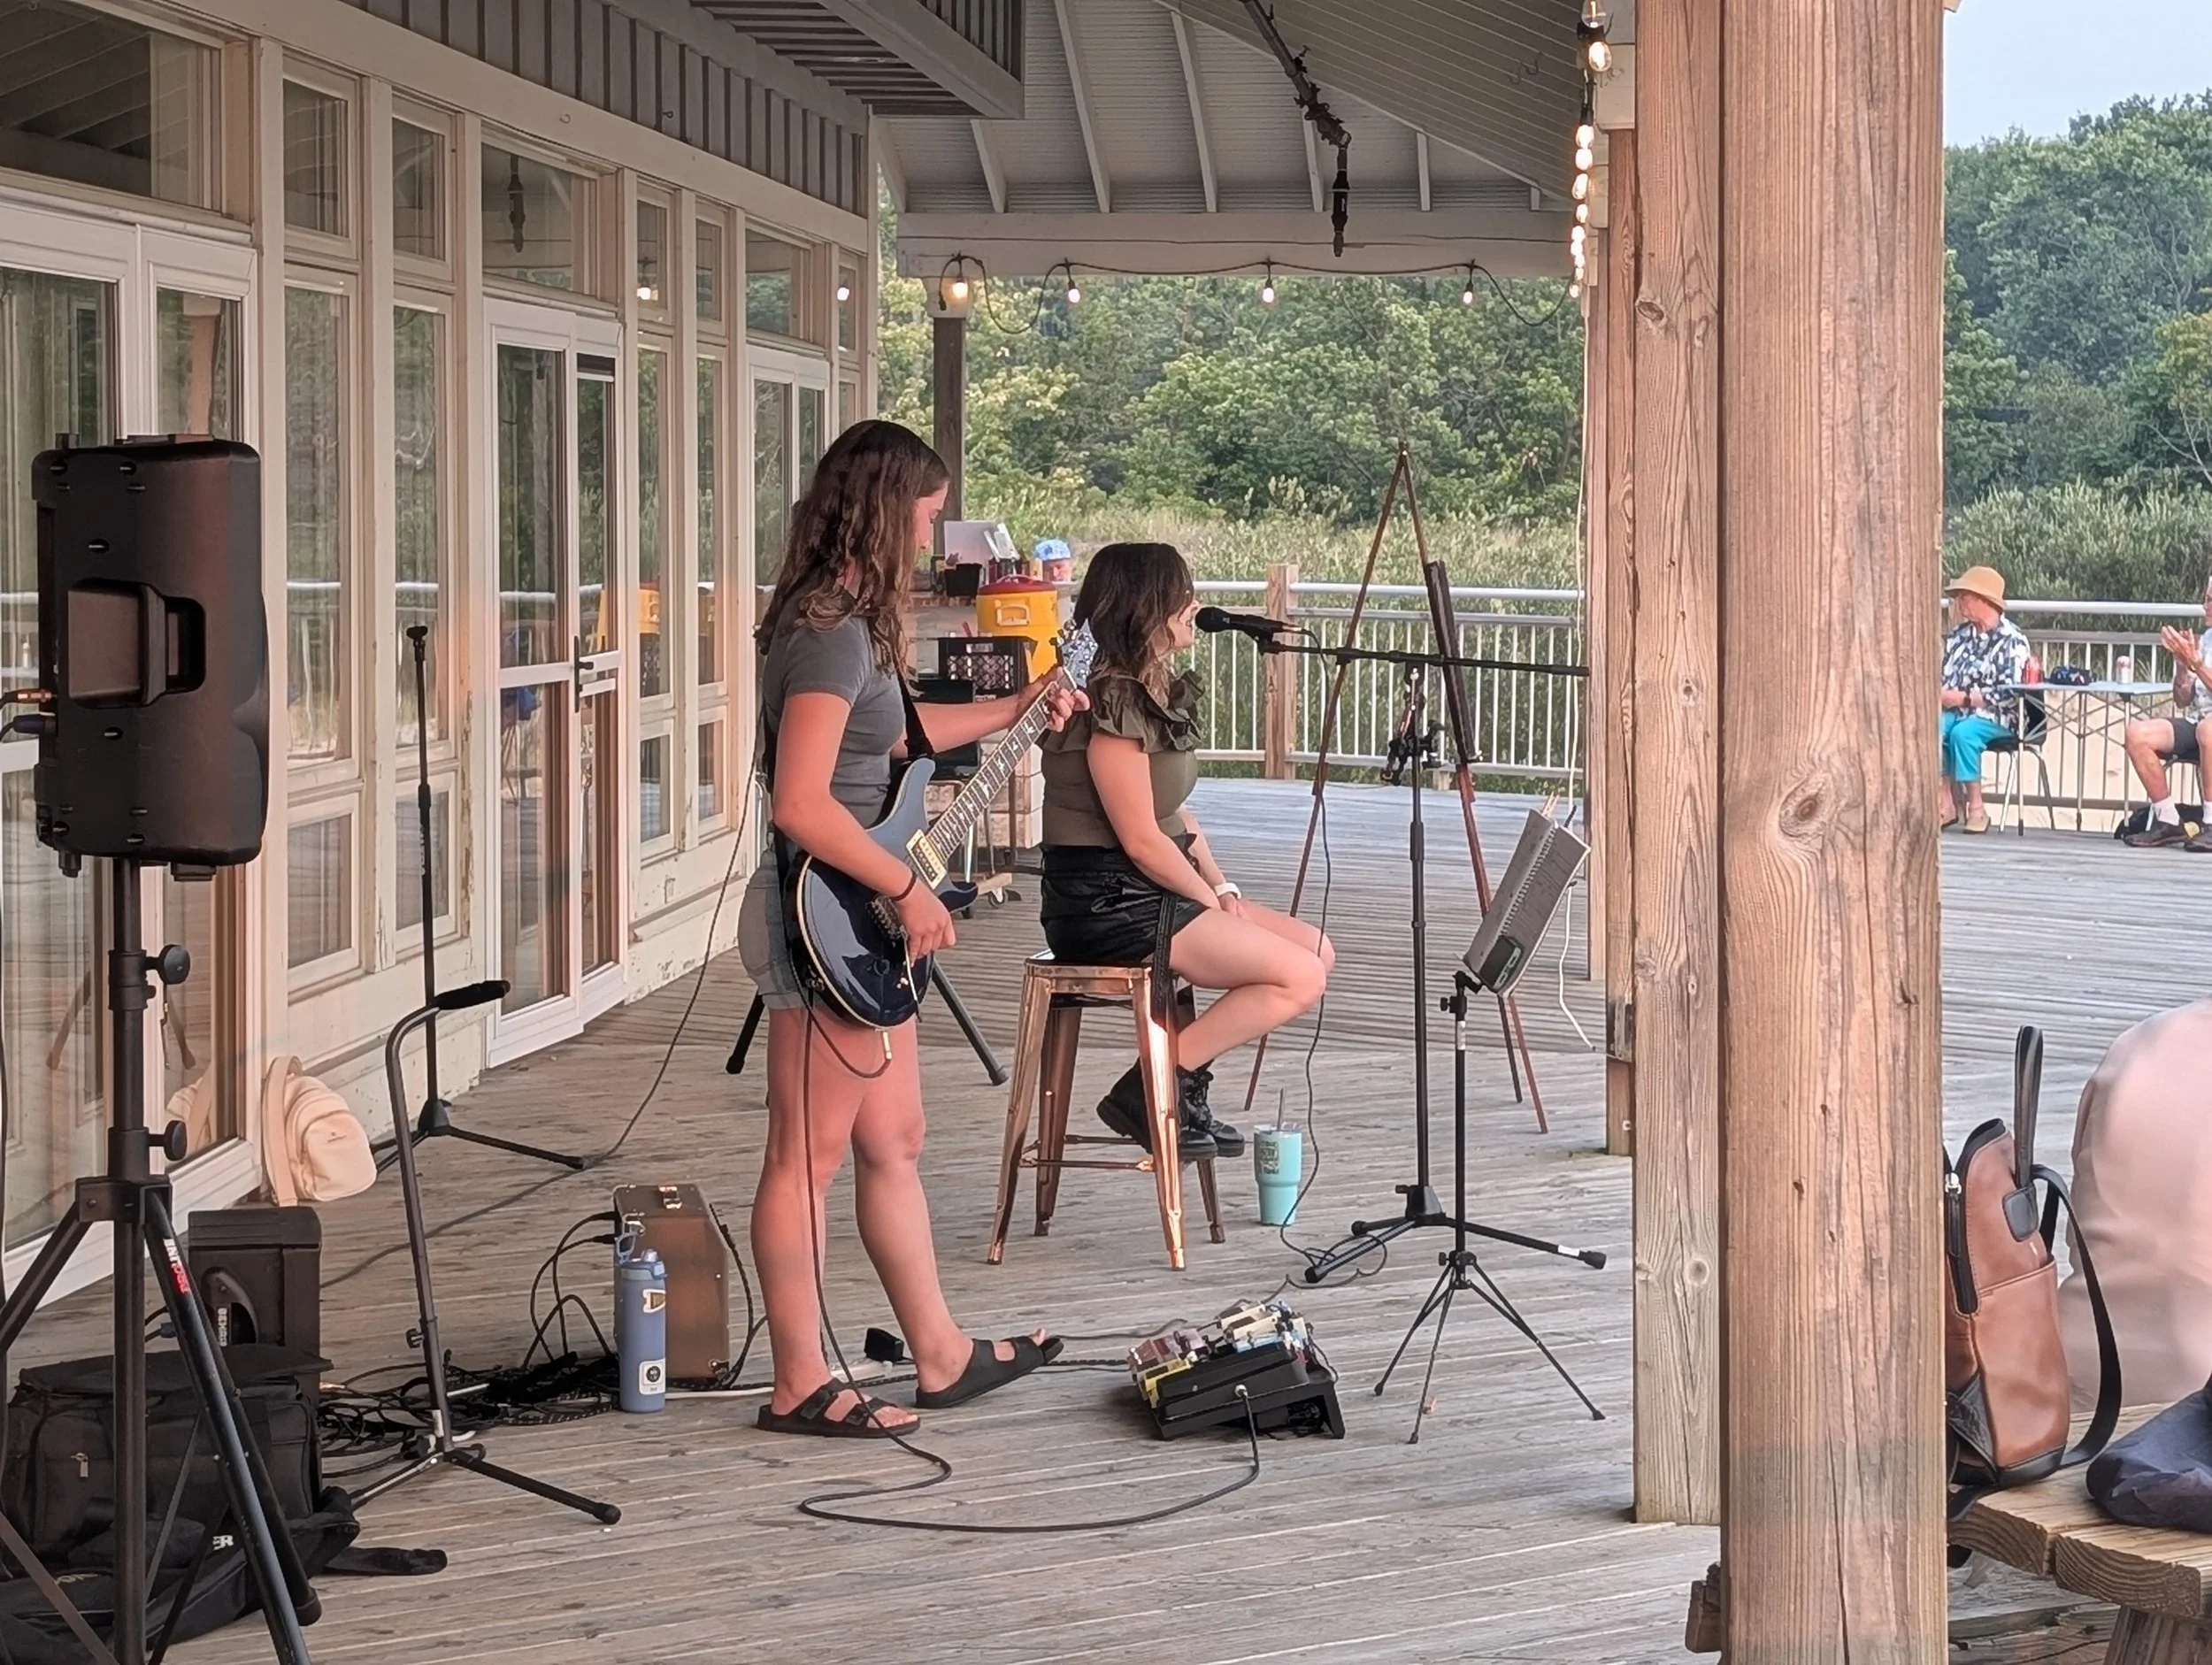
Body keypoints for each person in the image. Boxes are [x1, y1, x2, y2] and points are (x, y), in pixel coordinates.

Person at [738, 419, 1082, 1439]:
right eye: (926, 518)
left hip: (858, 904)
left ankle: (939, 1353)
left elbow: (900, 739)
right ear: (886, 508)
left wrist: (1021, 703)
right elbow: (802, 801)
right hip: (828, 909)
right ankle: (798, 1379)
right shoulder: (829, 629)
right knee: (806, 1156)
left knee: (895, 1136)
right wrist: (906, 887)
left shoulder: (857, 626)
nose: (934, 541)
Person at [1038, 542, 1334, 1158]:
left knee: (1316, 951)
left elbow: (1175, 815)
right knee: (1298, 976)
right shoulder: (1111, 696)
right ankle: (1153, 1087)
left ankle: (1179, 1078)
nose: (1194, 606)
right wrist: (1204, 900)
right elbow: (1142, 838)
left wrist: (1222, 889)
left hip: (1151, 887)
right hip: (1109, 900)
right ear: (1147, 608)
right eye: (1180, 595)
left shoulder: (1146, 689)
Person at [1937, 564, 2032, 834]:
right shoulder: (1959, 637)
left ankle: (1977, 808)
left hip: (2000, 716)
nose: (1960, 603)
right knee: (1933, 729)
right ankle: (1946, 802)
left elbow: (2010, 693)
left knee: (1963, 734)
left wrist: (1965, 699)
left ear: (1984, 600)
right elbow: (1947, 676)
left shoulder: (2012, 641)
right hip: (1957, 709)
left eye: (1965, 596)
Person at [2119, 573, 2212, 850]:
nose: (2205, 606)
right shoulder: (2206, 639)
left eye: (2211, 600)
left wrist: (2195, 663)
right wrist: (2183, 667)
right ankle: (2169, 820)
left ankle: (2211, 822)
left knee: (2207, 731)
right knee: (2137, 734)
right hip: (2198, 721)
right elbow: (2182, 699)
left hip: (2207, 729)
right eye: (2205, 599)